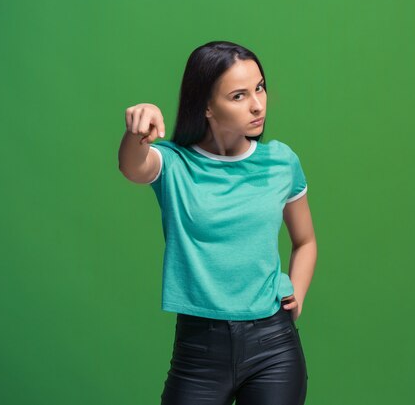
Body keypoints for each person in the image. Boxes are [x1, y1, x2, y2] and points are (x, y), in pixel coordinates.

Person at [118, 40, 317, 405]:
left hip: (273, 345)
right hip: (199, 351)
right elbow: (132, 167)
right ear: (206, 106)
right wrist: (136, 132)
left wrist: (297, 297)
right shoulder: (174, 164)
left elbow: (305, 241)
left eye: (260, 88)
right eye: (239, 96)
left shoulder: (281, 162)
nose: (258, 104)